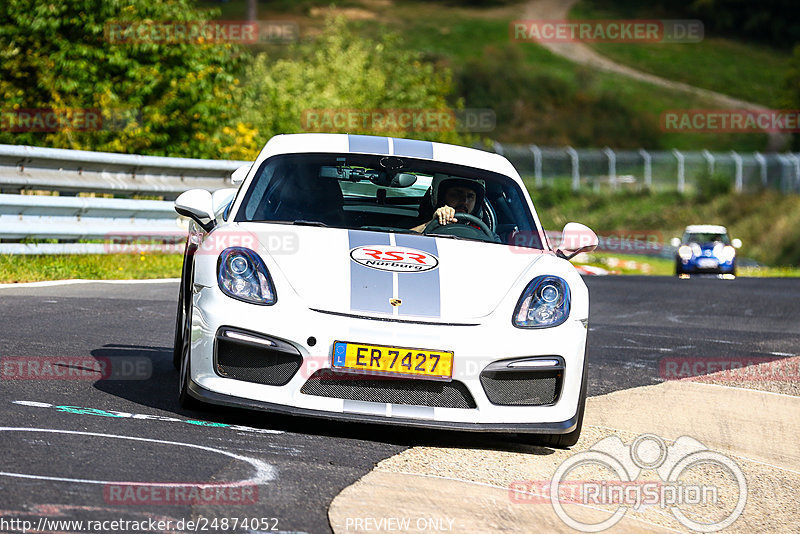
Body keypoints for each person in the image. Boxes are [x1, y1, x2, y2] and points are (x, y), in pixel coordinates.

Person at [412, 175, 485, 233]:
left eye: (470, 196)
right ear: (441, 197)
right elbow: (404, 240)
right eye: (456, 195)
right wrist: (431, 223)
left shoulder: (482, 232)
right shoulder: (428, 224)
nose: (464, 201)